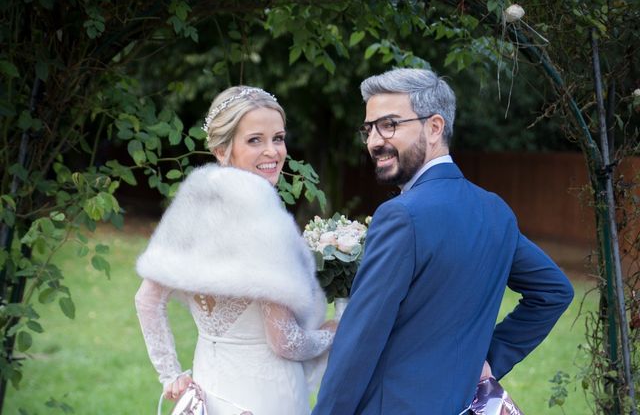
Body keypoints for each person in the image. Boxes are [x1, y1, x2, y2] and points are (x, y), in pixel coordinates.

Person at [312, 68, 574, 414]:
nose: (374, 141)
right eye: (369, 128)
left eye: (389, 125)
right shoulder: (494, 211)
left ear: (434, 127)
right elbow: (555, 291)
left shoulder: (401, 215)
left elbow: (359, 341)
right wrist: (487, 359)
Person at [135, 86, 336, 415]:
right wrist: (332, 332)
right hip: (267, 396)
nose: (272, 151)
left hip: (206, 388)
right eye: (255, 140)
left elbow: (147, 300)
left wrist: (171, 375)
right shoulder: (265, 224)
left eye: (278, 138)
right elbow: (285, 341)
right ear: (221, 149)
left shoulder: (192, 207)